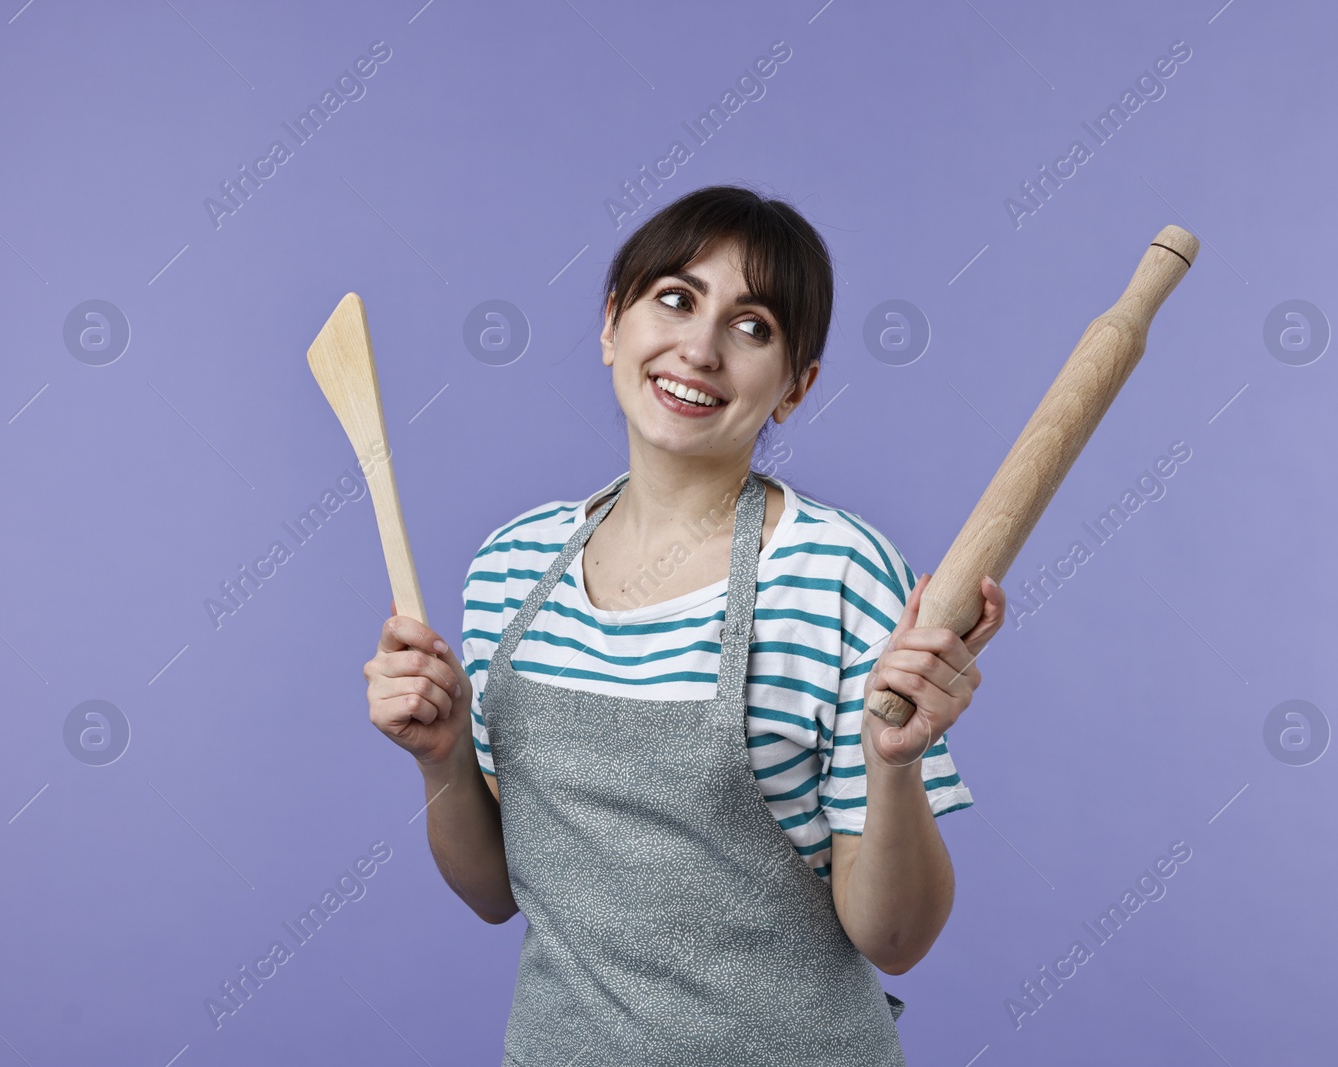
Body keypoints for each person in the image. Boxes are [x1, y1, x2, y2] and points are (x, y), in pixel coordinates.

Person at [362, 184, 1006, 1065]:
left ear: (794, 386)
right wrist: (439, 757)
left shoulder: (838, 574)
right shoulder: (511, 566)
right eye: (675, 298)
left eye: (753, 327)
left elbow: (895, 939)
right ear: (611, 324)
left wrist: (895, 767)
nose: (699, 348)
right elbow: (495, 892)